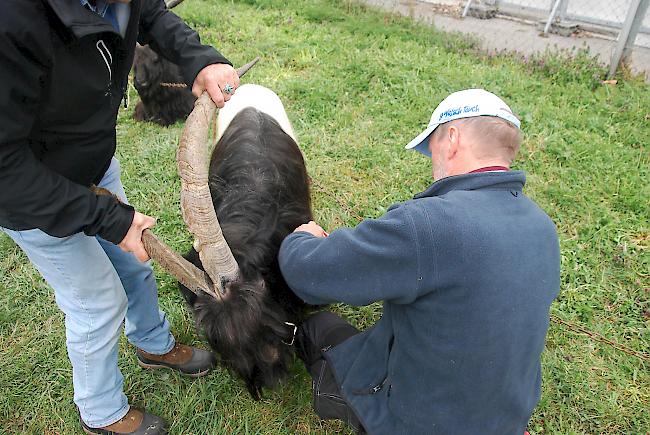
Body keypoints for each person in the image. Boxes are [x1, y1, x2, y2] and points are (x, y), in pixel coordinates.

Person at [0, 0, 240, 433]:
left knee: (134, 265)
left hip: (88, 159)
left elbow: (150, 14)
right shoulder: (13, 21)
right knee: (97, 303)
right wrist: (108, 218)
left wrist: (199, 60)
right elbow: (5, 168)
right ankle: (101, 410)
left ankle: (153, 344)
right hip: (31, 192)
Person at [279, 89, 561, 434]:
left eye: (432, 148)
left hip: (419, 424)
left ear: (453, 139)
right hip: (506, 422)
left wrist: (301, 238)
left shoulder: (429, 224)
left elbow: (308, 273)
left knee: (318, 327)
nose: (432, 163)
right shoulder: (542, 225)